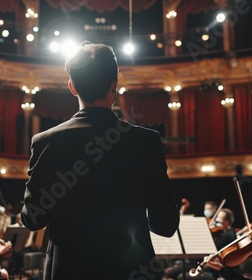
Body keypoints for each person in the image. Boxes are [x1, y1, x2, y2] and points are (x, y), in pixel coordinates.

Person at [21, 42, 179, 280]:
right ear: (114, 84)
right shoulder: (146, 141)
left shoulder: (45, 142)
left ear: (72, 87)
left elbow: (33, 220)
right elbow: (165, 225)